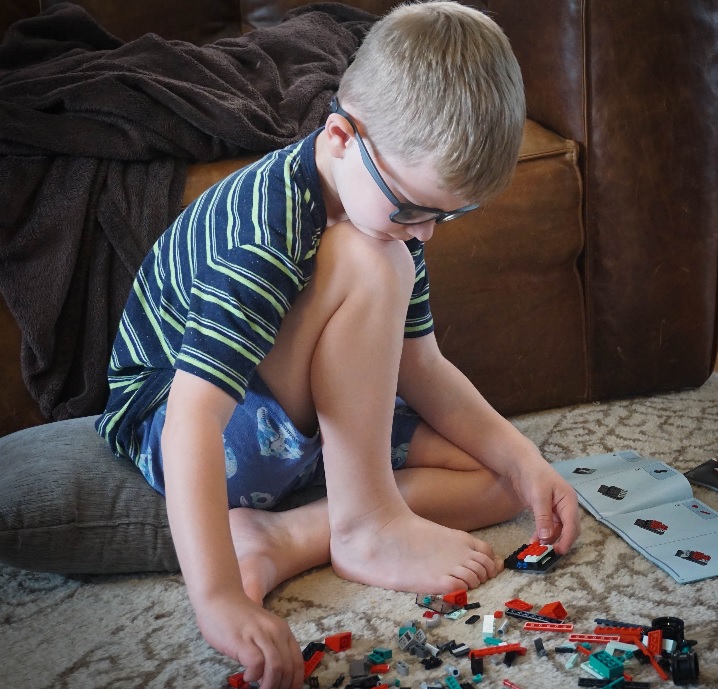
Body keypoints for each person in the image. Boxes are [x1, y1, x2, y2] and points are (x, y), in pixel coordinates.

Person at [96, 2, 580, 687]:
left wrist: (526, 457)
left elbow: (422, 366)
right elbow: (189, 420)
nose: (427, 233)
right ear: (340, 138)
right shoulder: (266, 232)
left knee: (505, 484)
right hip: (186, 423)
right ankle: (364, 522)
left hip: (290, 421)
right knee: (373, 260)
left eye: (447, 215)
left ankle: (293, 535)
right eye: (414, 208)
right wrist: (218, 597)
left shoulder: (388, 219)